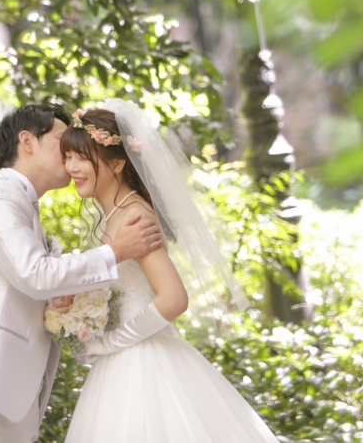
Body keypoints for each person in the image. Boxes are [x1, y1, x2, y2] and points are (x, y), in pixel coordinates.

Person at [0, 104, 163, 442]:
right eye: (62, 142)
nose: (69, 156)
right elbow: (36, 274)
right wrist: (117, 251)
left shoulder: (21, 203)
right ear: (27, 141)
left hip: (2, 389)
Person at [61, 99, 279, 443]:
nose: (71, 167)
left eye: (81, 157)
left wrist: (113, 341)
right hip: (125, 359)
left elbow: (174, 299)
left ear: (117, 163)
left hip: (142, 361)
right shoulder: (118, 212)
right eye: (67, 156)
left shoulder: (133, 215)